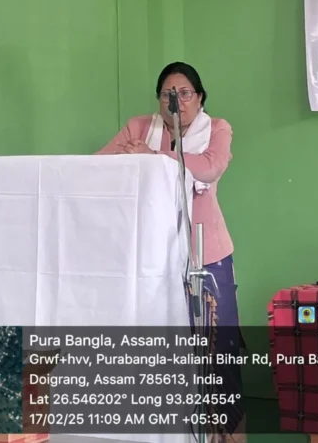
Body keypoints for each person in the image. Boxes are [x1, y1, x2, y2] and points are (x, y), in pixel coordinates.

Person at [96, 61, 246, 442]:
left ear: (200, 97)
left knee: (218, 352)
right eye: (167, 94)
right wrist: (134, 156)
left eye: (184, 93)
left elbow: (209, 168)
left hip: (206, 255)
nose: (175, 100)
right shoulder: (139, 127)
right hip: (154, 257)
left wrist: (150, 157)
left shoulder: (217, 129)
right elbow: (98, 166)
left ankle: (227, 436)